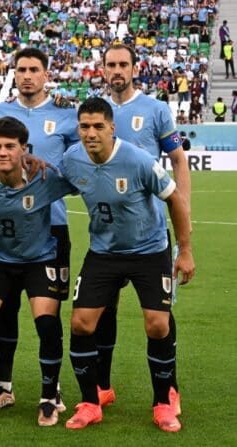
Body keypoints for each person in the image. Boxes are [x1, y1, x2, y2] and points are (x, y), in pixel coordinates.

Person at [62, 98, 194, 432]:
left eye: (98, 126)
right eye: (84, 126)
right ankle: (91, 402)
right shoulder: (72, 159)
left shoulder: (138, 160)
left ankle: (163, 403)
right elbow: (53, 183)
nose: (90, 133)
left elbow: (175, 199)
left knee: (157, 325)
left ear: (111, 128)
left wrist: (185, 250)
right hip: (104, 252)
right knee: (81, 323)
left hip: (149, 251)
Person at [0, 47, 79, 411]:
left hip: (54, 226)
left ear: (46, 74)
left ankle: (53, 387)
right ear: (13, 73)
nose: (28, 75)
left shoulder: (67, 114)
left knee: (47, 312)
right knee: (4, 308)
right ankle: (3, 385)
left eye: (35, 69)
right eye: (21, 69)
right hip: (7, 230)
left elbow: (78, 166)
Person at [0, 117, 74, 426]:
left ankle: (49, 397)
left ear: (25, 149)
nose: (2, 152)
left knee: (47, 324)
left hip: (40, 260)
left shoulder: (46, 176)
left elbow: (83, 182)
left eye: (10, 146)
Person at [95, 44, 191, 408]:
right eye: (111, 65)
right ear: (102, 69)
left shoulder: (156, 110)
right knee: (104, 309)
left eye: (123, 64)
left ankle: (169, 392)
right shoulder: (93, 111)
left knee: (159, 316)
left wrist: (183, 207)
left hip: (149, 233)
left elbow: (179, 161)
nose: (117, 70)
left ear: (135, 69)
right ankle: (102, 387)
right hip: (106, 234)